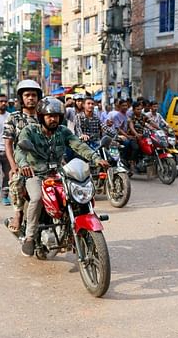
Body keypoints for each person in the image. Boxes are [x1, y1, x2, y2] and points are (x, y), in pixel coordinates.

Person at [15, 98, 108, 256]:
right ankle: (30, 236)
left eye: (57, 116)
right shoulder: (30, 131)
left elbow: (78, 145)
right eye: (50, 116)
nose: (54, 119)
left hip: (58, 173)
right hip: (35, 174)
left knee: (77, 193)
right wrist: (24, 165)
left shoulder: (63, 131)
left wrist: (96, 158)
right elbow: (20, 150)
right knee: (37, 197)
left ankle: (75, 227)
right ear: (41, 116)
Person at [4, 80, 42, 233]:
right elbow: (8, 144)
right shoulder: (13, 117)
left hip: (44, 161)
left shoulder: (45, 116)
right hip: (22, 163)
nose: (31, 98)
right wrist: (14, 167)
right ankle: (18, 213)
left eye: (34, 95)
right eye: (27, 95)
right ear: (21, 98)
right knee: (16, 180)